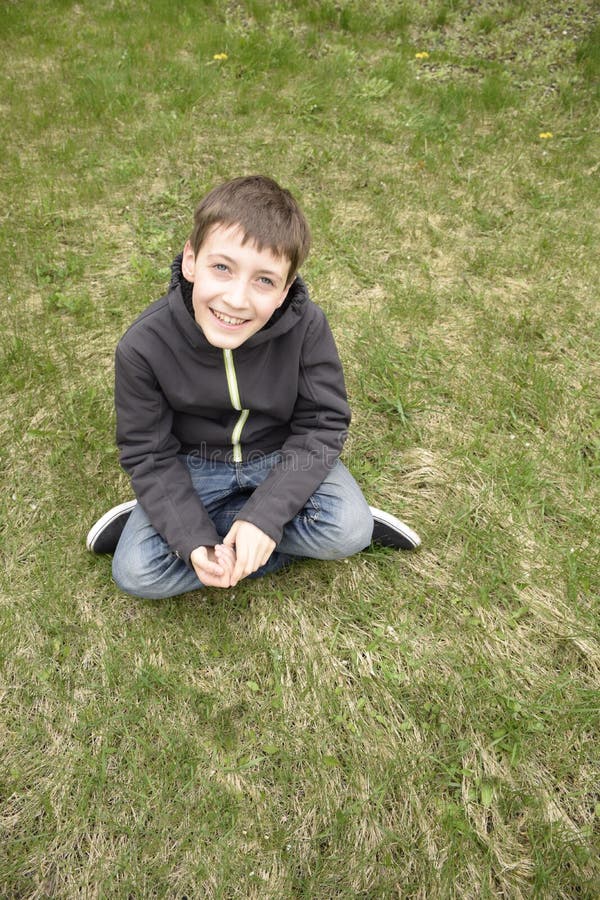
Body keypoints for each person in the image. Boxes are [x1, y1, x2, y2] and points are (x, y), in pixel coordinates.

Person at [86, 175, 420, 599]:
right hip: (195, 466)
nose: (237, 299)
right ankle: (180, 522)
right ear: (191, 259)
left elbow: (323, 423)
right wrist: (192, 540)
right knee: (137, 573)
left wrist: (266, 517)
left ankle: (193, 526)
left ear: (285, 289)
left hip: (280, 458)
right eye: (222, 268)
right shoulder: (143, 345)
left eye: (264, 280)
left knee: (350, 529)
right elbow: (148, 453)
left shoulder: (307, 326)